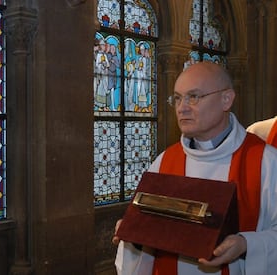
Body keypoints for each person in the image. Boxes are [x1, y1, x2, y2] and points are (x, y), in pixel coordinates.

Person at [113, 62, 277, 275]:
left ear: (226, 99)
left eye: (194, 96)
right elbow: (147, 237)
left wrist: (246, 244)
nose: (182, 107)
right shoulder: (164, 162)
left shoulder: (266, 162)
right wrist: (133, 234)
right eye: (178, 98)